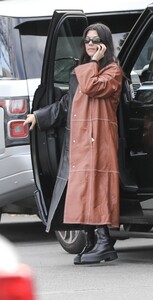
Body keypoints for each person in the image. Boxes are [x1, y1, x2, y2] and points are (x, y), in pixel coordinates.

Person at [24, 23, 123, 265]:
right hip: (81, 143)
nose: (90, 44)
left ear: (105, 44)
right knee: (82, 191)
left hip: (99, 141)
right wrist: (39, 116)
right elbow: (67, 104)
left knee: (97, 189)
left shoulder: (112, 72)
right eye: (87, 40)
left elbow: (92, 87)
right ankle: (91, 241)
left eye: (95, 40)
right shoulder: (83, 71)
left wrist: (91, 64)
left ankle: (105, 243)